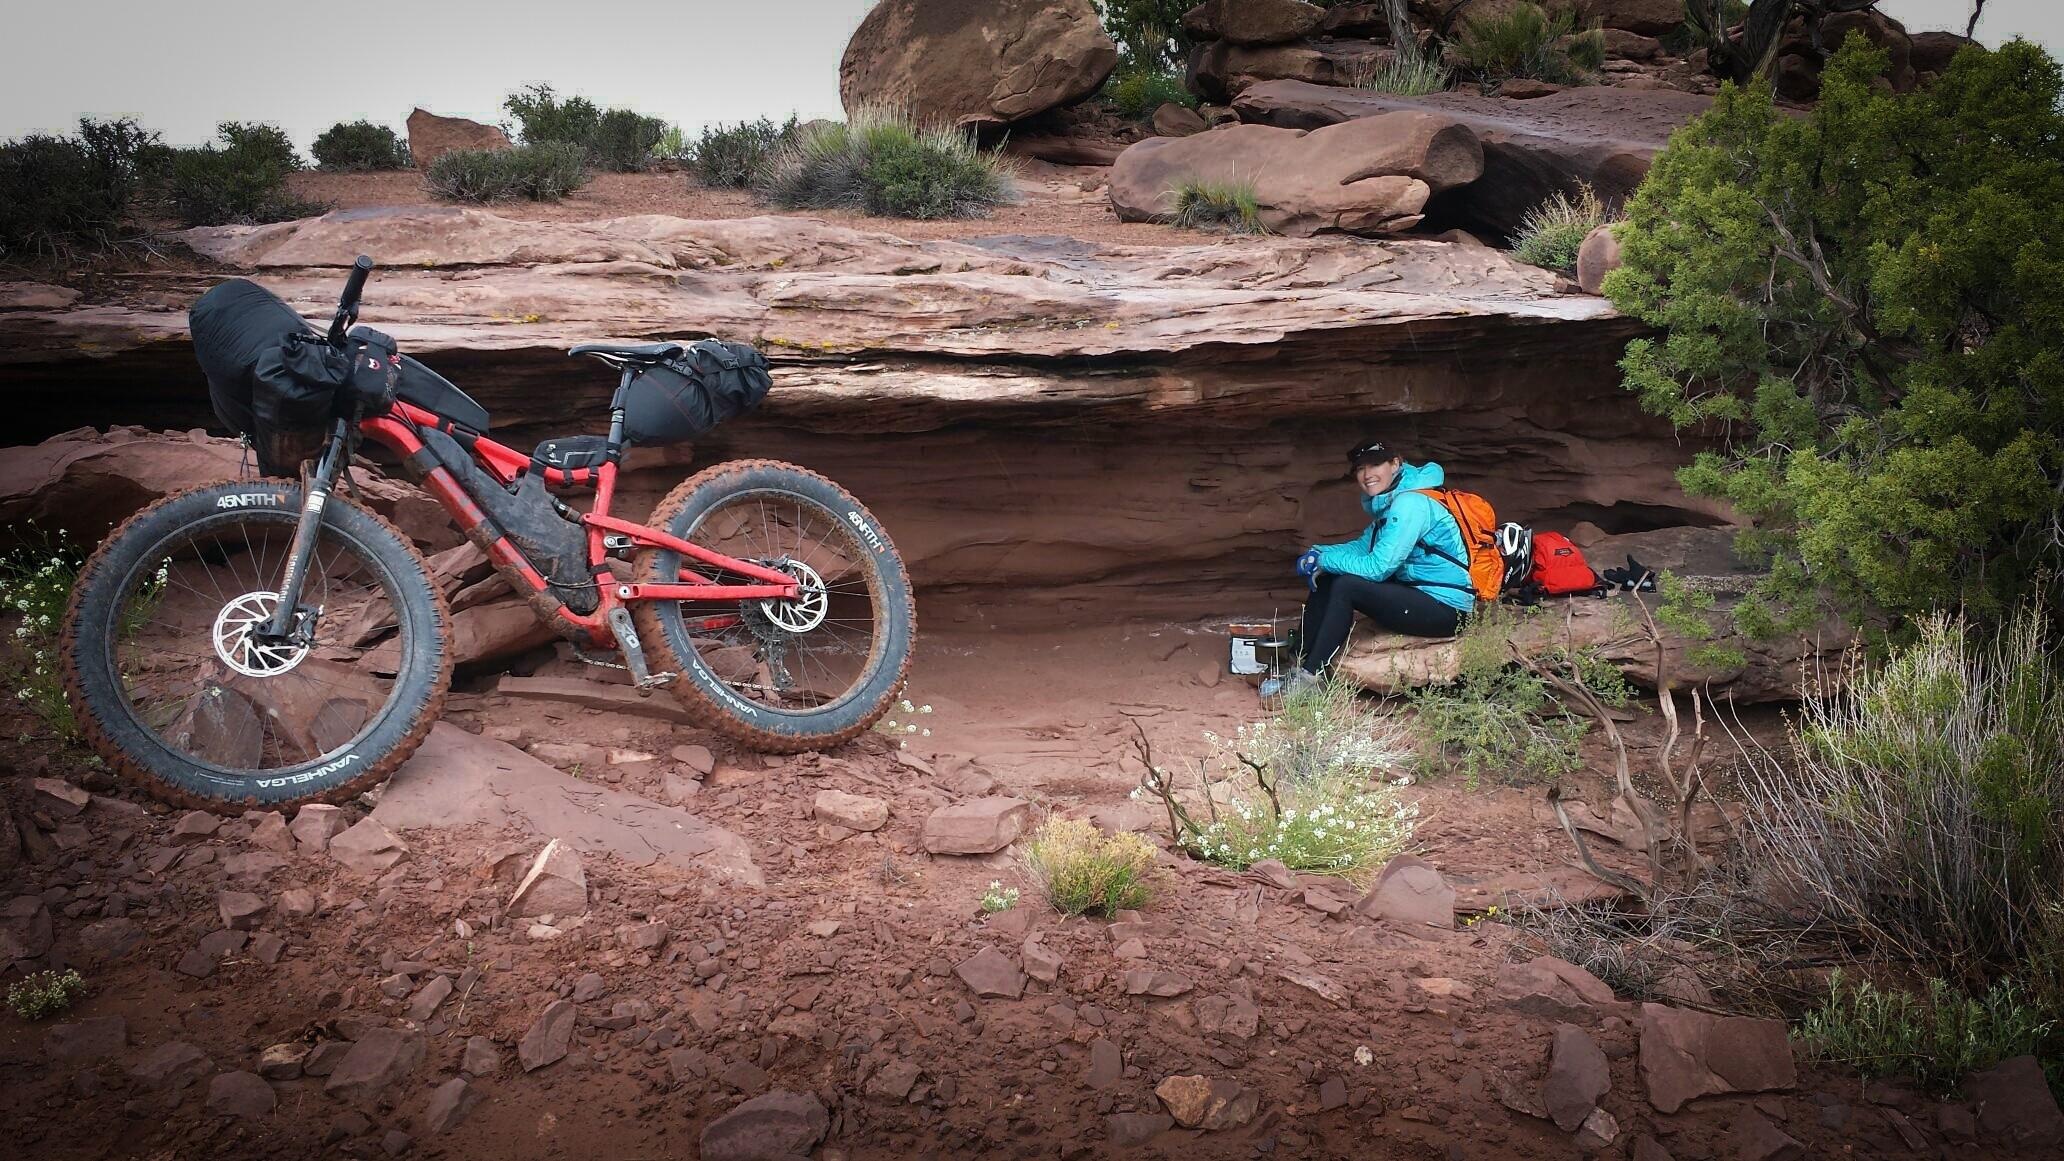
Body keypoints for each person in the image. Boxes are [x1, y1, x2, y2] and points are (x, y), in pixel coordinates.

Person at [1272, 439, 1475, 696]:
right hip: (1418, 595)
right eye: (1359, 469)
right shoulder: (1393, 501)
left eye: (1375, 464)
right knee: (1328, 579)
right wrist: (1318, 553)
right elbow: (1363, 547)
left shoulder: (1411, 504)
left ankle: (1311, 679)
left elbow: (1377, 567)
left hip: (1447, 610)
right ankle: (1296, 663)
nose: (1367, 475)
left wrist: (1323, 561)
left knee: (1346, 586)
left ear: (1395, 464)